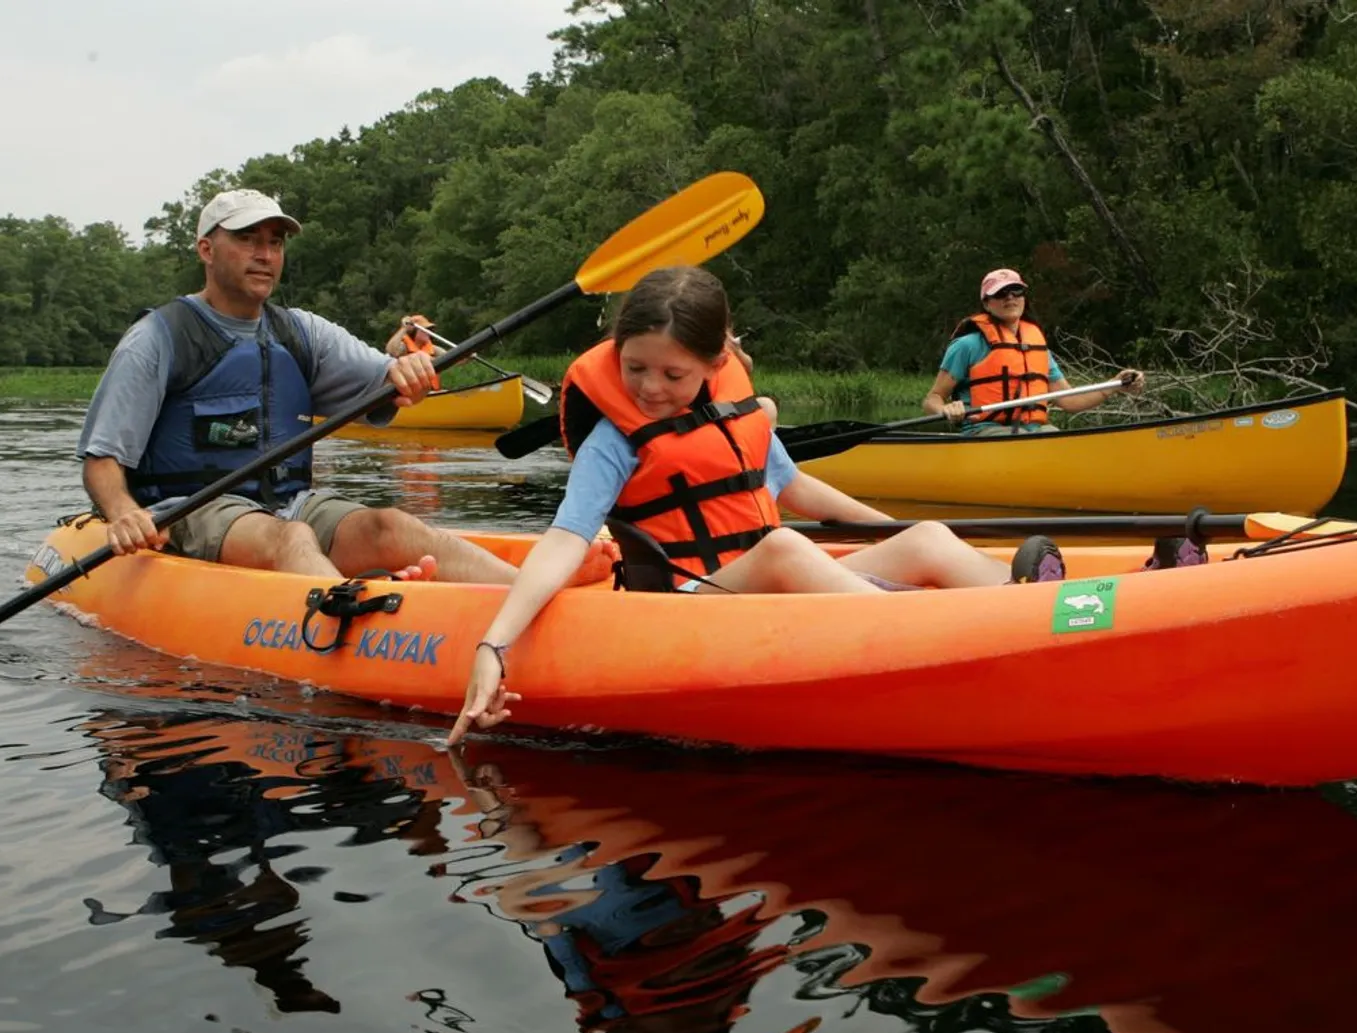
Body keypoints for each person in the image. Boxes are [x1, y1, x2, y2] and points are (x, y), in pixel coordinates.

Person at [448, 266, 1068, 742]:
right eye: (635, 368)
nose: (648, 388)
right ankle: (953, 637)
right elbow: (566, 538)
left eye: (672, 375)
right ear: (616, 355)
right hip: (685, 605)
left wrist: (893, 532)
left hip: (766, 580)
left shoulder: (731, 411)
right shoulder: (613, 441)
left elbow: (795, 488)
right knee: (784, 548)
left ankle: (1041, 606)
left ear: (716, 363)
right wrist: (493, 644)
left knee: (926, 537)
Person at [76, 188, 533, 584]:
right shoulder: (157, 338)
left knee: (391, 526)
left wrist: (409, 375)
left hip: (290, 504)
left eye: (275, 243)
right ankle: (350, 619)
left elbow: (388, 375)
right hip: (190, 511)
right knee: (293, 537)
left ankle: (532, 594)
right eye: (246, 239)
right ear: (206, 250)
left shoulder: (301, 333)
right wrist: (122, 512)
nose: (265, 254)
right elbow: (102, 458)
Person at [920, 267, 1147, 435]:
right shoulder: (967, 345)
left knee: (1053, 436)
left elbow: (1070, 401)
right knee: (1014, 438)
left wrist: (1115, 385)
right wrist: (947, 408)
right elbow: (932, 398)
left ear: (1023, 299)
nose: (1010, 297)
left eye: (1016, 291)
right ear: (987, 304)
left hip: (1036, 429)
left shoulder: (1037, 347)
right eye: (1001, 293)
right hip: (986, 430)